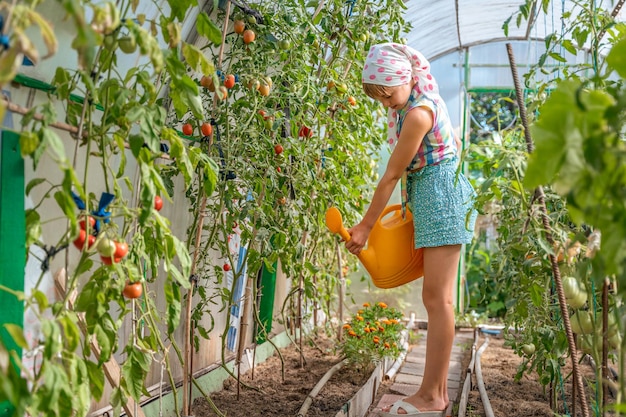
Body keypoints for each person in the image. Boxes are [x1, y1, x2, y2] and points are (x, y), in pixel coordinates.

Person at [344, 42, 477, 417]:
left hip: (442, 203)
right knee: (436, 299)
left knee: (439, 301)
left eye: (387, 95)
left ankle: (433, 396)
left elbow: (391, 174)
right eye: (380, 98)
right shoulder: (414, 102)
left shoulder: (419, 113)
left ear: (403, 80)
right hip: (434, 200)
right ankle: (433, 393)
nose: (386, 104)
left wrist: (366, 227)